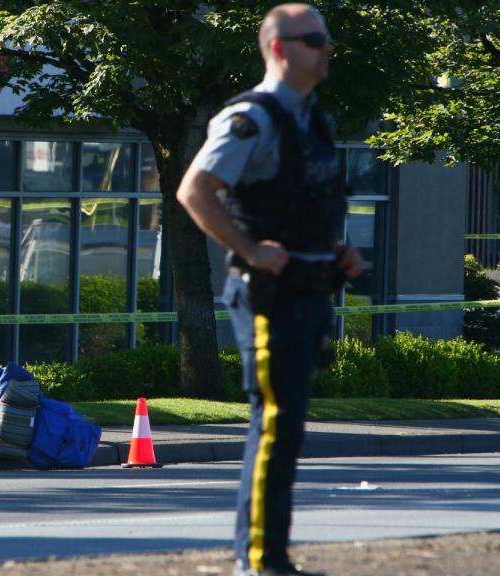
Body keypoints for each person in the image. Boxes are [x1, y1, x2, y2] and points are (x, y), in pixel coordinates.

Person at [176, 4, 363, 576]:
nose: (326, 50)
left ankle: (269, 557)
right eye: (313, 41)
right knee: (276, 421)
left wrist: (337, 250)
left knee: (290, 425)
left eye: (327, 40)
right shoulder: (250, 119)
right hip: (268, 295)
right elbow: (195, 190)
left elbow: (312, 202)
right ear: (280, 49)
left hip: (312, 289)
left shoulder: (316, 122)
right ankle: (258, 561)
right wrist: (250, 248)